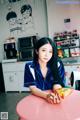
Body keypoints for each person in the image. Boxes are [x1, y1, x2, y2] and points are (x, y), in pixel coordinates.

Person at [24, 37, 66, 104]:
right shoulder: (29, 66)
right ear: (37, 51)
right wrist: (46, 96)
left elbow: (57, 83)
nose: (47, 55)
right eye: (43, 50)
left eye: (50, 51)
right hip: (37, 98)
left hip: (52, 98)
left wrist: (57, 94)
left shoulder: (57, 64)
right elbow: (33, 88)